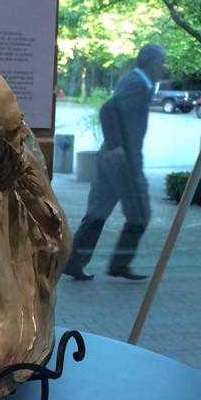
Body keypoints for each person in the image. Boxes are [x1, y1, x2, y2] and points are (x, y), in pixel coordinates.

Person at [64, 43, 165, 281]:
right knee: (140, 214)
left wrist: (111, 147)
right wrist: (116, 145)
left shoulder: (132, 80)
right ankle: (119, 264)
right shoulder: (137, 84)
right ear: (152, 63)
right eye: (161, 63)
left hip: (109, 159)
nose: (163, 68)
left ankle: (74, 263)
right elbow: (108, 110)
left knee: (97, 213)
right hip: (123, 162)